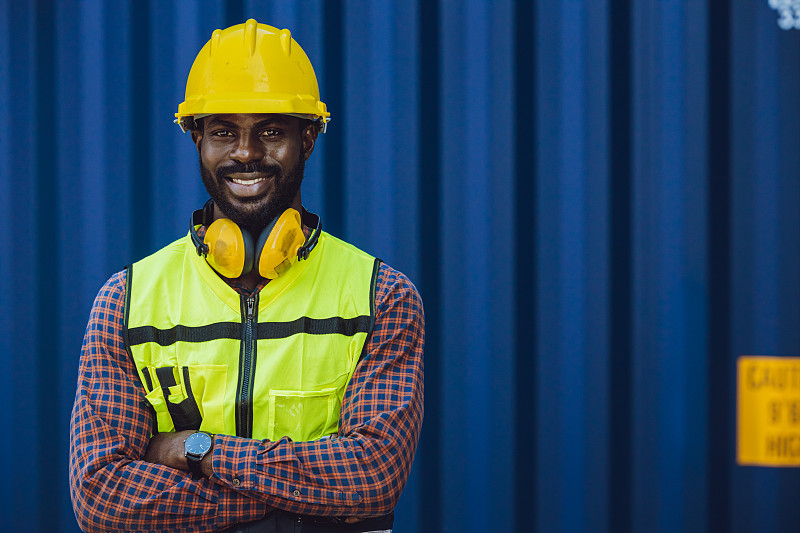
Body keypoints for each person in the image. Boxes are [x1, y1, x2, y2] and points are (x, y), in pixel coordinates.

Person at [69, 19, 424, 533]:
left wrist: (196, 450)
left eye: (271, 131)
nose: (245, 153)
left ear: (308, 138)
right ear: (196, 139)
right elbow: (102, 498)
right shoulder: (126, 302)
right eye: (223, 132)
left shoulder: (381, 297)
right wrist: (302, 506)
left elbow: (372, 476)